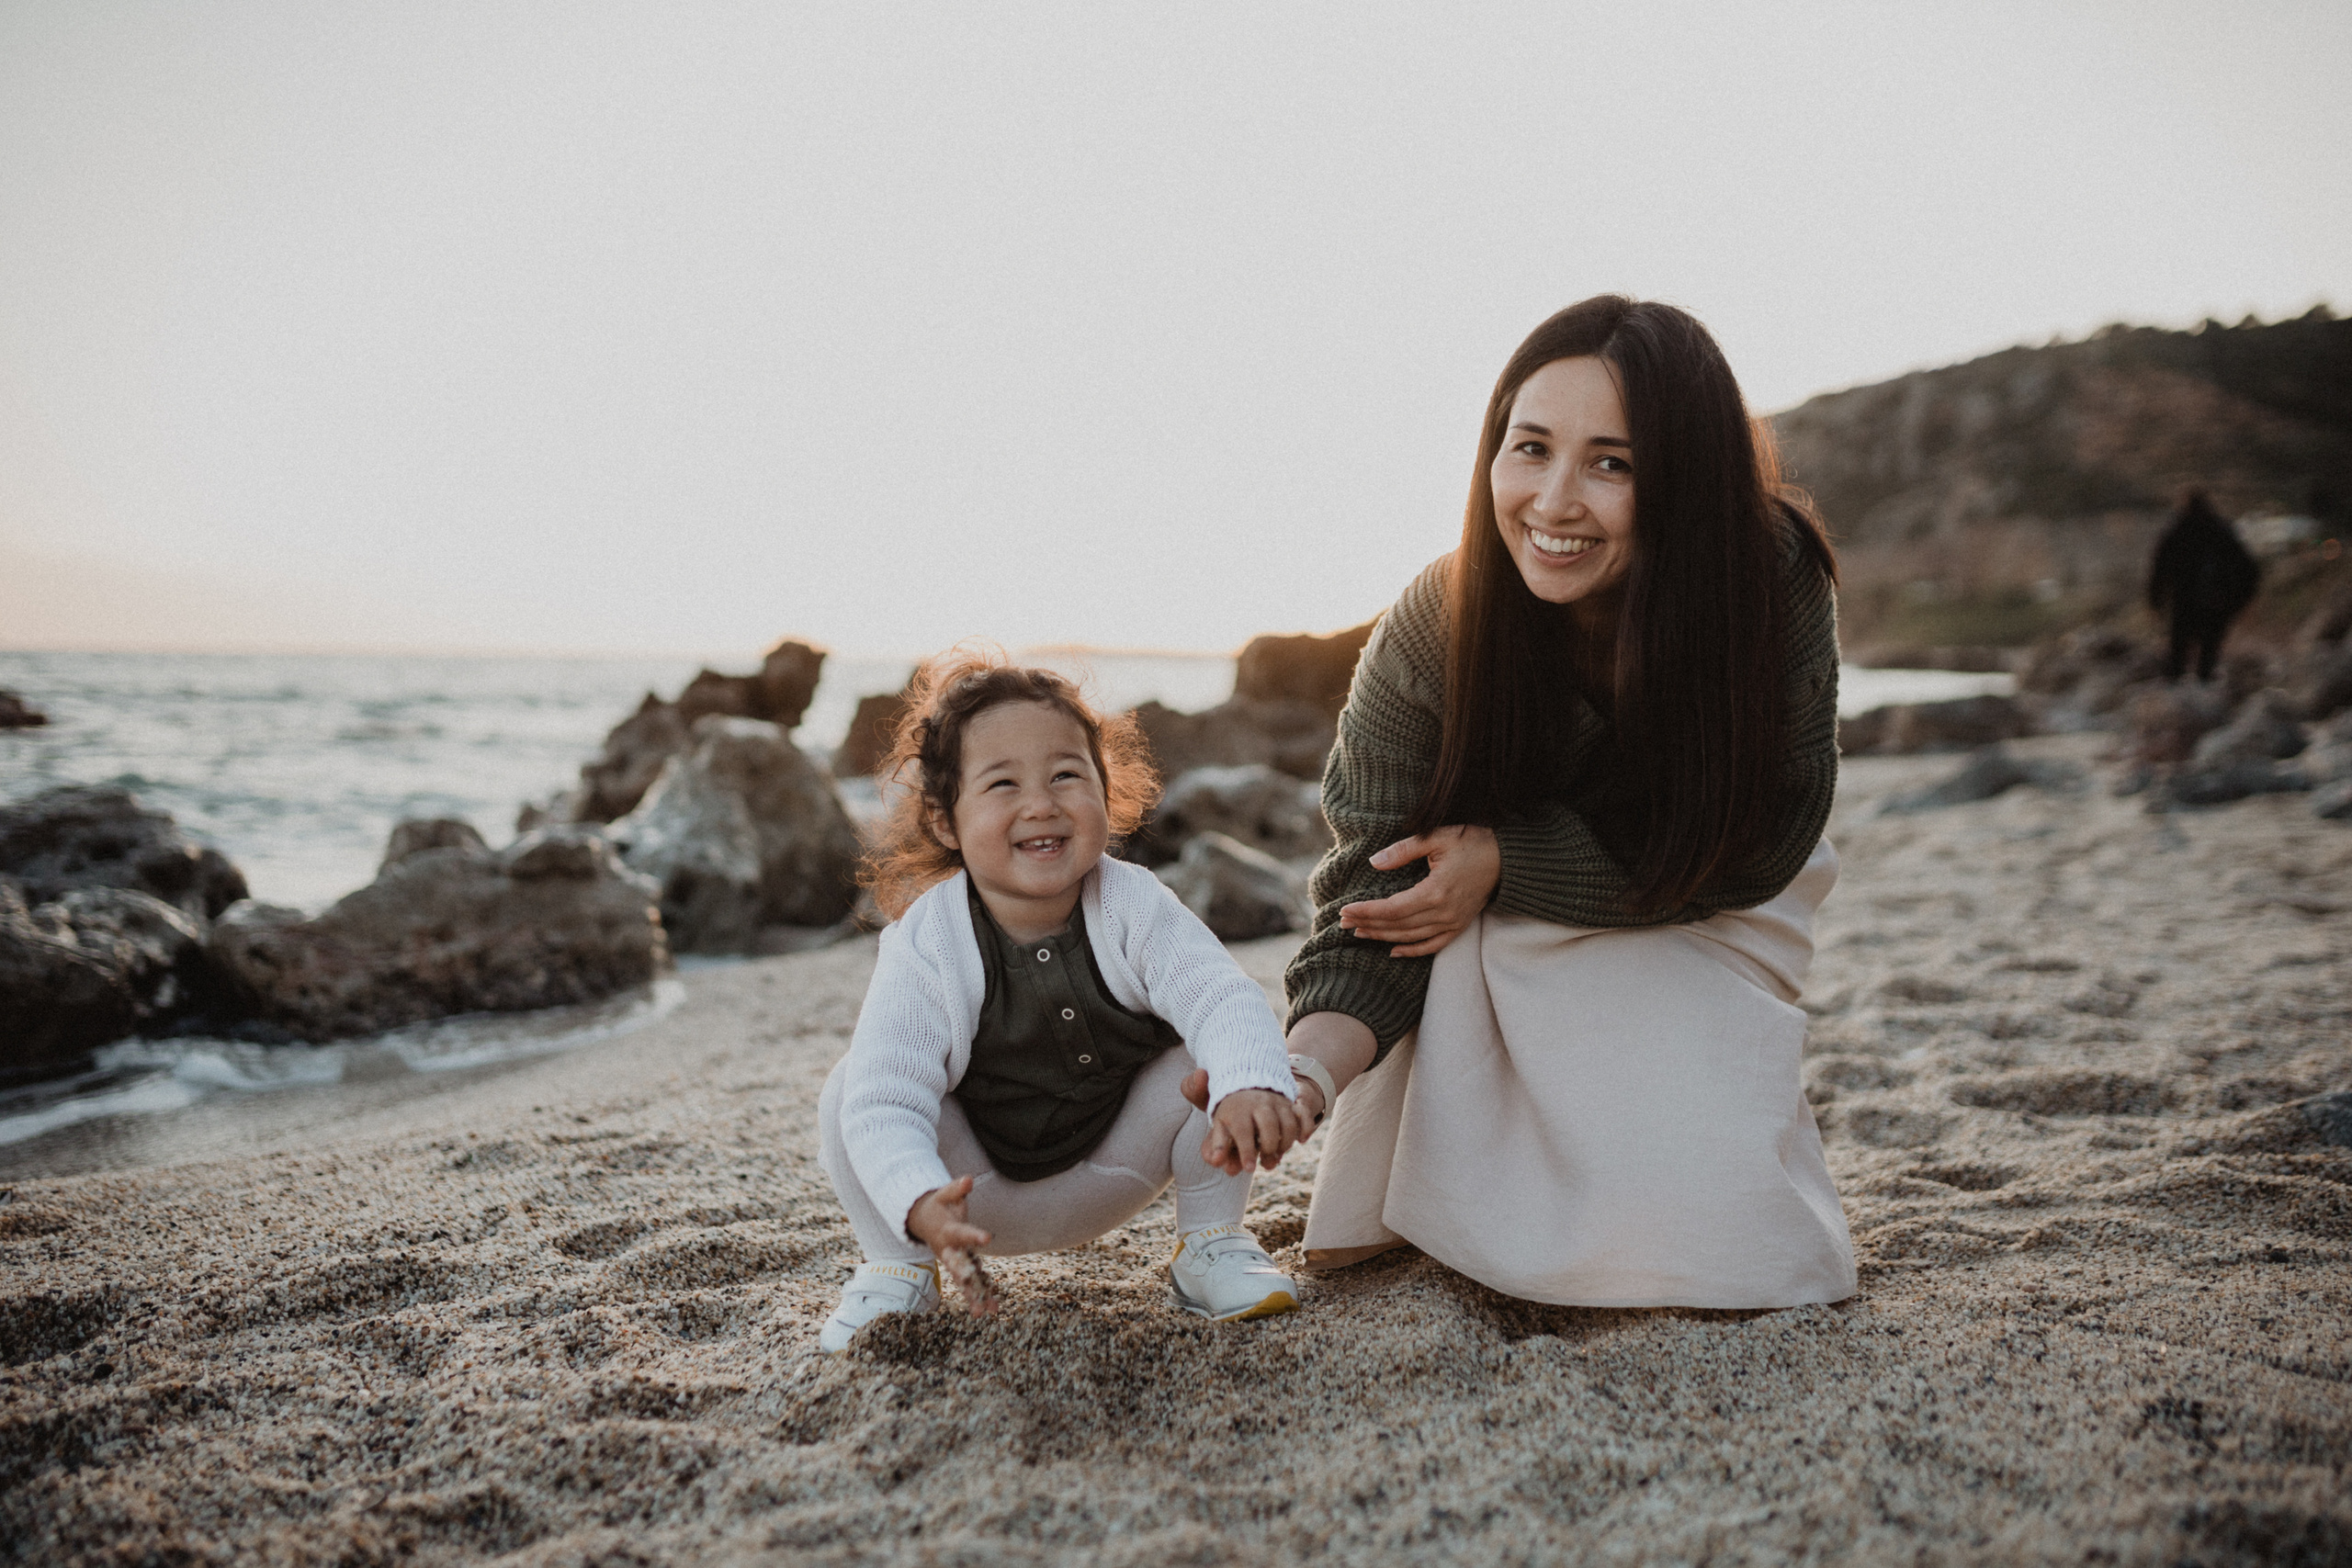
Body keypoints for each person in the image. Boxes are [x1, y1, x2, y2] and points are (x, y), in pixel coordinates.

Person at [1272, 296, 1856, 1308]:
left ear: (1686, 479)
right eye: (1530, 448)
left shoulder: (1764, 580)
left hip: (1718, 887)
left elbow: (1759, 842)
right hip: (1480, 924)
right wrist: (1301, 1079)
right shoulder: (1436, 624)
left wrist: (1506, 862)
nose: (1554, 500)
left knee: (1730, 1240)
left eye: (1612, 463)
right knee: (1460, 946)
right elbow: (1375, 896)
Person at [817, 651, 1314, 1352]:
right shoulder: (926, 942)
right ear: (943, 820)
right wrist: (916, 1197)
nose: (1041, 802)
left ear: (1105, 792)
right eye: (1002, 783)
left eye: (1065, 775)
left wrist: (1250, 1083)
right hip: (968, 1194)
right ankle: (899, 1270)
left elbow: (1220, 994)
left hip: (1118, 1166)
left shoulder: (1135, 901)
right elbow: (886, 1097)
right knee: (851, 1089)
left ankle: (1211, 1241)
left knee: (1206, 1054)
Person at [2147, 489, 2259, 682]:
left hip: (2184, 605)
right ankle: (2202, 696)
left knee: (2177, 660)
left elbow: (2160, 570)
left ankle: (2178, 700)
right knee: (2207, 660)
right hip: (2216, 605)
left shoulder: (2177, 531)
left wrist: (2156, 601)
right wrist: (2237, 602)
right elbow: (2249, 570)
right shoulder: (2222, 531)